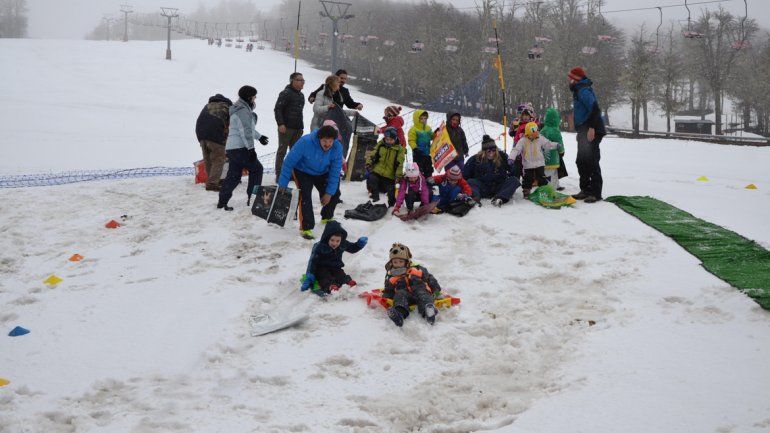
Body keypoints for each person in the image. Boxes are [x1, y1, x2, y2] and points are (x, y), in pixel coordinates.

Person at [277, 125, 343, 239]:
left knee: (334, 192)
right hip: (302, 171)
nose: (327, 144)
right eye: (324, 141)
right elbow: (288, 163)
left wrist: (328, 193)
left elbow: (335, 171)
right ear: (319, 138)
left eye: (330, 141)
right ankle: (306, 228)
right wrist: (283, 183)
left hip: (322, 171)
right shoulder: (305, 142)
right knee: (305, 195)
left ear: (334, 140)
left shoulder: (337, 147)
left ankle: (327, 216)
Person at [217, 86, 269, 211]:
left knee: (234, 175)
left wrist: (259, 137)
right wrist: (251, 149)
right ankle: (253, 198)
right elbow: (245, 132)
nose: (255, 98)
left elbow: (249, 130)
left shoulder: (239, 109)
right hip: (240, 148)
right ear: (249, 97)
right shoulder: (243, 111)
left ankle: (222, 201)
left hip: (232, 148)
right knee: (257, 169)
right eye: (254, 96)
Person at [569, 66, 606, 203]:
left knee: (591, 161)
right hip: (584, 129)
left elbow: (595, 109)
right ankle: (585, 189)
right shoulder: (578, 89)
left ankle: (595, 193)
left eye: (571, 78)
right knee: (581, 161)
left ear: (576, 78)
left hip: (593, 129)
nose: (569, 80)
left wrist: (591, 128)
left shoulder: (583, 90)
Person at [382, 243, 443, 327]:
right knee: (399, 296)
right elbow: (389, 290)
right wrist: (385, 298)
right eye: (395, 262)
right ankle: (399, 315)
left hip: (419, 289)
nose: (398, 264)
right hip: (404, 294)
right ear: (391, 263)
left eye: (401, 261)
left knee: (424, 296)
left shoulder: (417, 269)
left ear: (407, 261)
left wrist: (436, 290)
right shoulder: (392, 276)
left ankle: (428, 312)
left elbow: (430, 279)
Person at [300, 221, 367, 295]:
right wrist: (310, 274)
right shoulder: (319, 246)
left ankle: (348, 282)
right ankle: (330, 286)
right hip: (321, 268)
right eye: (332, 240)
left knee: (340, 274)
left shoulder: (342, 243)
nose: (335, 243)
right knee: (325, 276)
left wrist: (359, 244)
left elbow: (352, 248)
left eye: (338, 241)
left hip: (335, 267)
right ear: (327, 238)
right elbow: (312, 261)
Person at [463, 135, 520, 207]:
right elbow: (465, 174)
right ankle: (475, 198)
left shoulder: (502, 156)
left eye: (493, 150)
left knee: (514, 180)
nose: (491, 153)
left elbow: (513, 171)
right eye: (488, 151)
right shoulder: (475, 159)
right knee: (470, 181)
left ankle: (500, 198)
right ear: (483, 151)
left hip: (498, 188)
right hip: (483, 188)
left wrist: (512, 165)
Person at [508, 122, 559, 199]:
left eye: (537, 130)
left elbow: (548, 144)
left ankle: (543, 190)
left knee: (541, 178)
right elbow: (516, 149)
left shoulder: (540, 138)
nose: (536, 133)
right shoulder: (523, 141)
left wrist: (556, 145)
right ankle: (526, 191)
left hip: (539, 163)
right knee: (527, 178)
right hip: (528, 164)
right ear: (528, 133)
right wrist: (511, 158)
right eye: (534, 131)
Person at [195, 93, 233, 191]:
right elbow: (230, 125)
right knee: (219, 159)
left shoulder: (207, 106)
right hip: (215, 134)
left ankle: (211, 180)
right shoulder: (226, 106)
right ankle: (212, 183)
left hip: (201, 134)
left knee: (208, 159)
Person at [274, 72, 306, 183]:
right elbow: (278, 109)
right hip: (286, 128)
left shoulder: (301, 95)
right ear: (292, 80)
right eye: (299, 80)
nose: (302, 82)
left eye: (303, 80)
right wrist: (280, 124)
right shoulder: (286, 93)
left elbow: (299, 113)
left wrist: (301, 127)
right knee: (282, 151)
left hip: (297, 128)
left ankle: (292, 174)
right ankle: (279, 175)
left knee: (295, 152)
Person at [366, 127, 406, 207]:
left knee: (391, 190)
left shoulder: (399, 149)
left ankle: (391, 204)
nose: (389, 141)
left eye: (391, 140)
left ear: (395, 139)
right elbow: (373, 153)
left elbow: (399, 163)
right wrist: (369, 163)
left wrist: (398, 175)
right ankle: (375, 196)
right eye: (387, 139)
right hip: (378, 170)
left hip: (390, 174)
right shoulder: (381, 144)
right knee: (372, 178)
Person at [539, 108, 565, 190]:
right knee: (553, 173)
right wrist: (562, 151)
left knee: (547, 172)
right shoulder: (556, 131)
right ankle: (550, 189)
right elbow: (560, 143)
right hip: (553, 156)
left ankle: (554, 186)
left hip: (544, 156)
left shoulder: (543, 130)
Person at [407, 109, 434, 178]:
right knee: (419, 170)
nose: (423, 120)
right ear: (416, 119)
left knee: (429, 170)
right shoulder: (413, 129)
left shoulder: (428, 128)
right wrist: (415, 148)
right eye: (421, 118)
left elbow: (431, 136)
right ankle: (419, 184)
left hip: (427, 153)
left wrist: (436, 134)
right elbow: (411, 140)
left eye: (425, 118)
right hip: (418, 154)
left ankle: (428, 183)